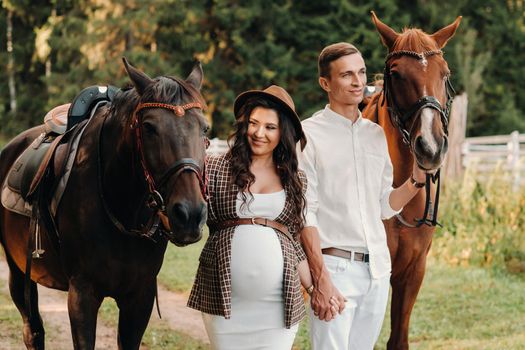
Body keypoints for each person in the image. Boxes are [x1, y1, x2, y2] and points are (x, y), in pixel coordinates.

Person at [298, 42, 427, 349]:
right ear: (325, 83)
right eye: (346, 75)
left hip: (377, 272)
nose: (357, 82)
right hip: (335, 269)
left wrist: (416, 182)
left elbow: (384, 205)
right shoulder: (308, 134)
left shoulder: (375, 134)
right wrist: (320, 278)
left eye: (361, 72)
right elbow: (306, 213)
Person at [188, 85, 336, 350]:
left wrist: (317, 289)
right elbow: (189, 213)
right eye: (254, 123)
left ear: (283, 133)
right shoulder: (214, 167)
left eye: (270, 127)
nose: (259, 133)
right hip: (225, 302)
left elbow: (294, 243)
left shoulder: (295, 180)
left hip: (278, 307)